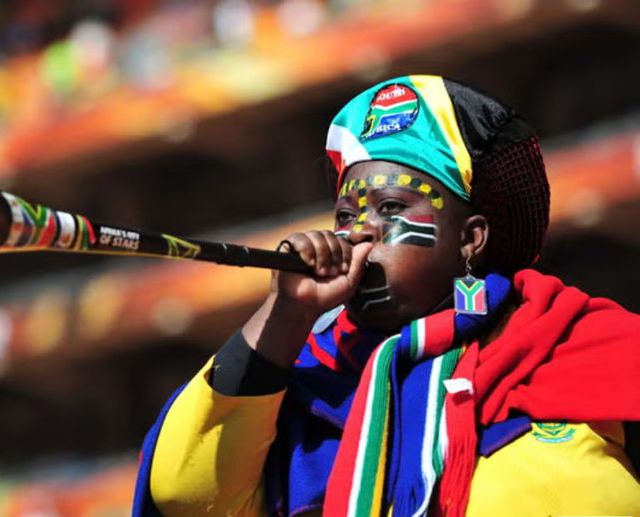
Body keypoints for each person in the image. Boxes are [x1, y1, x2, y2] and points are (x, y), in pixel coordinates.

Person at [131, 75, 640, 516]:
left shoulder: (577, 341)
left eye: (390, 207)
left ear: (471, 238)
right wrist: (286, 313)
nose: (357, 235)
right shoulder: (307, 389)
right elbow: (185, 494)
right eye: (346, 217)